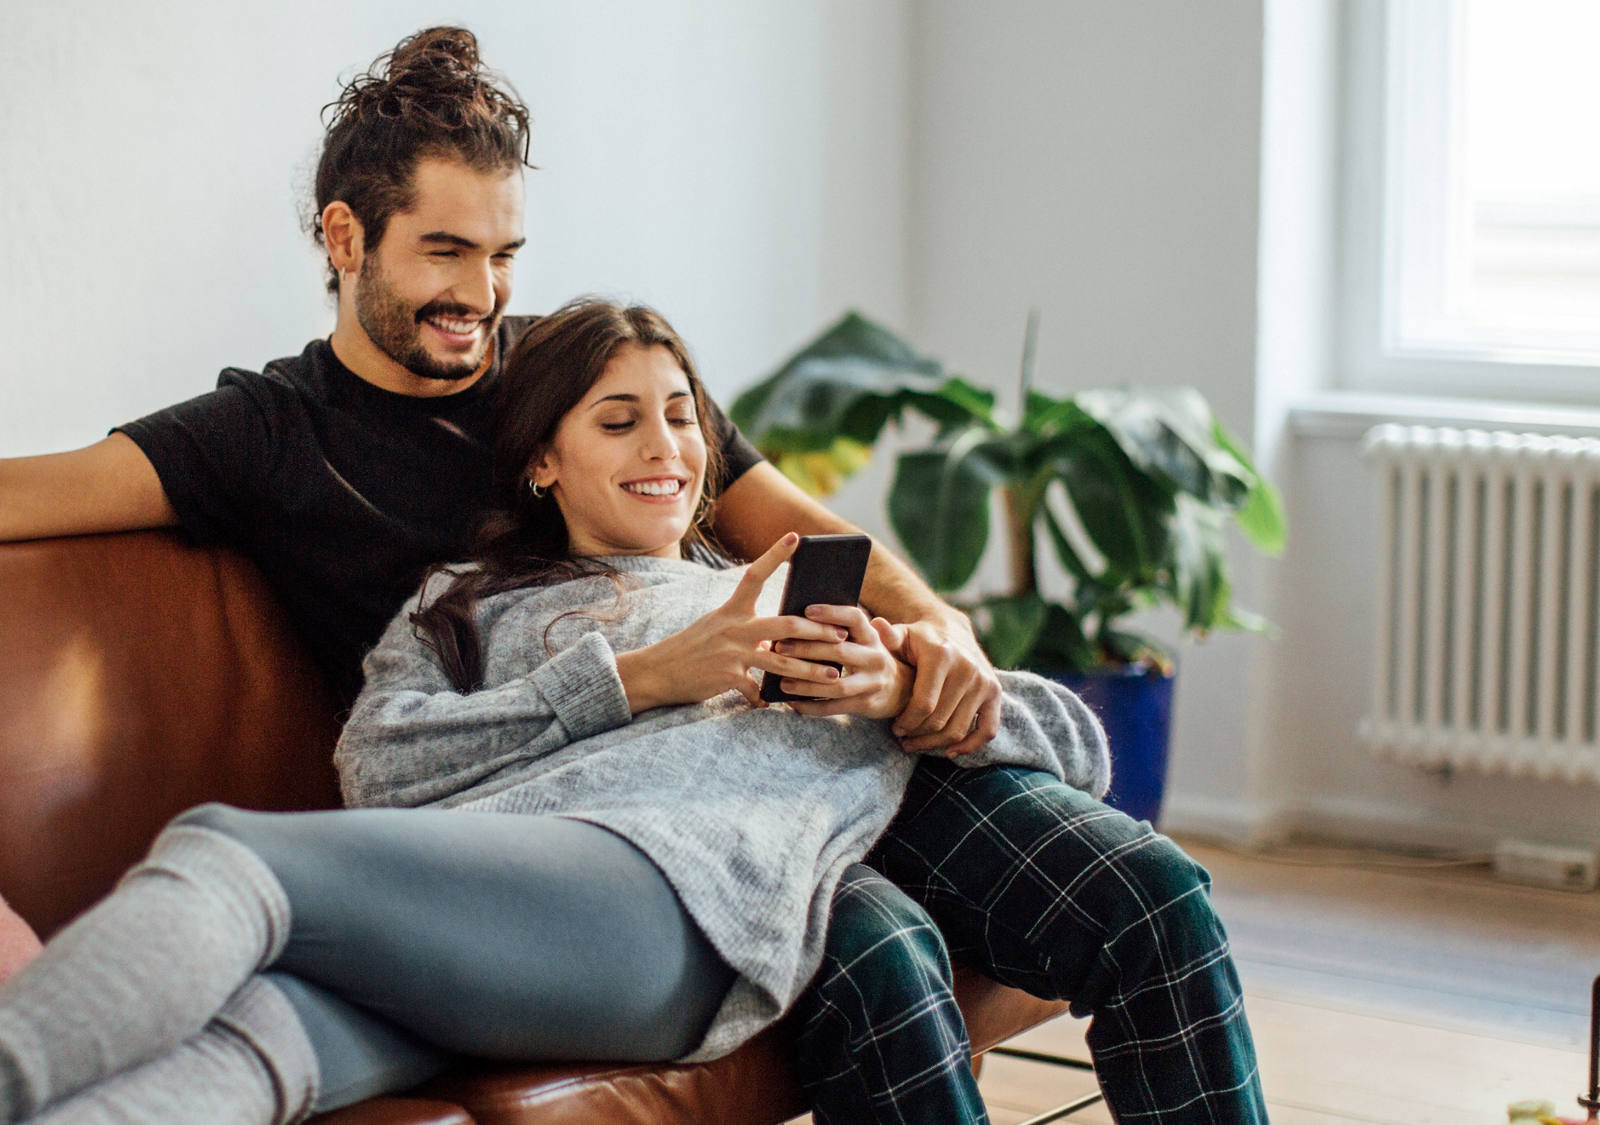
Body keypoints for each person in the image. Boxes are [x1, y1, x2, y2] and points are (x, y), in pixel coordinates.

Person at [0, 26, 1269, 1124]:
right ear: (345, 237)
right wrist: (655, 675)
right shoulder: (265, 436)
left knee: (1150, 905)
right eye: (447, 253)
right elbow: (31, 496)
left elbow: (813, 534)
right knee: (880, 972)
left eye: (504, 255)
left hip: (809, 747)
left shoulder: (580, 371)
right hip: (590, 825)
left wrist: (937, 640)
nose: (483, 296)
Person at [0, 299, 1115, 1125]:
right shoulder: (462, 603)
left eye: (683, 420)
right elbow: (378, 767)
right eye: (620, 420)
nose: (667, 447)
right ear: (543, 460)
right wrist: (639, 676)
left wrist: (914, 681)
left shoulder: (786, 607)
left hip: (671, 895)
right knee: (263, 1040)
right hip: (491, 910)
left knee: (229, 853)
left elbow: (1071, 743)